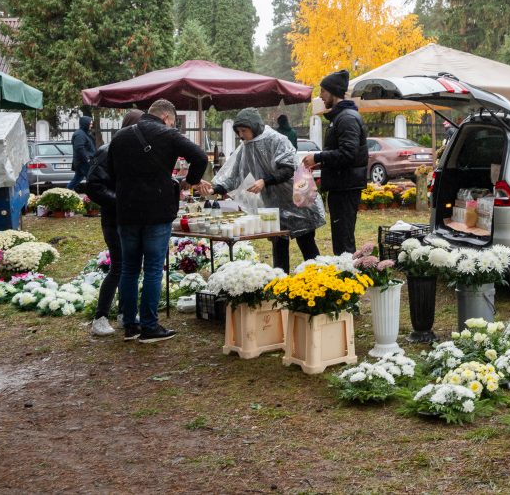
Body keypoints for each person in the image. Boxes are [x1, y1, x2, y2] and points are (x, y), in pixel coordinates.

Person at [108, 99, 211, 343]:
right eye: (173, 121)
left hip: (126, 210)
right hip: (157, 209)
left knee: (130, 268)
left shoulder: (120, 136)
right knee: (154, 268)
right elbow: (200, 157)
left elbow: (111, 171)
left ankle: (130, 325)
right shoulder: (168, 134)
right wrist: (190, 179)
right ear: (166, 117)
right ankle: (150, 326)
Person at [212, 108, 324, 273]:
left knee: (307, 246)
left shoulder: (276, 139)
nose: (241, 135)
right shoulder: (246, 147)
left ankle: (321, 283)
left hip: (296, 200)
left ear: (254, 126)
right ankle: (280, 285)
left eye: (244, 130)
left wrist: (265, 181)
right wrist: (216, 188)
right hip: (273, 206)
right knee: (279, 248)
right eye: (238, 131)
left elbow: (288, 169)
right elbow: (235, 176)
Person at [84, 109, 143, 337]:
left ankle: (124, 312)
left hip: (131, 219)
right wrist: (121, 202)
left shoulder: (134, 151)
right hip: (114, 219)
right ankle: (100, 317)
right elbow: (94, 186)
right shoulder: (107, 151)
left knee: (131, 267)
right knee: (119, 267)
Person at [301, 69, 368, 255]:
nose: (320, 96)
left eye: (323, 91)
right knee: (341, 238)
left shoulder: (346, 118)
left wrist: (318, 156)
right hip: (341, 185)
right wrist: (322, 164)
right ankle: (346, 276)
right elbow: (343, 155)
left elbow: (348, 154)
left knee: (344, 241)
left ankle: (349, 279)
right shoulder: (340, 117)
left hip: (346, 188)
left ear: (333, 92)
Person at [68, 115, 96, 190]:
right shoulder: (80, 134)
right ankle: (93, 198)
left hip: (83, 162)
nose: (91, 125)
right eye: (90, 123)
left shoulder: (84, 133)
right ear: (85, 123)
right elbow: (79, 148)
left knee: (77, 179)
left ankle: (65, 193)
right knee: (92, 180)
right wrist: (87, 159)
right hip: (83, 162)